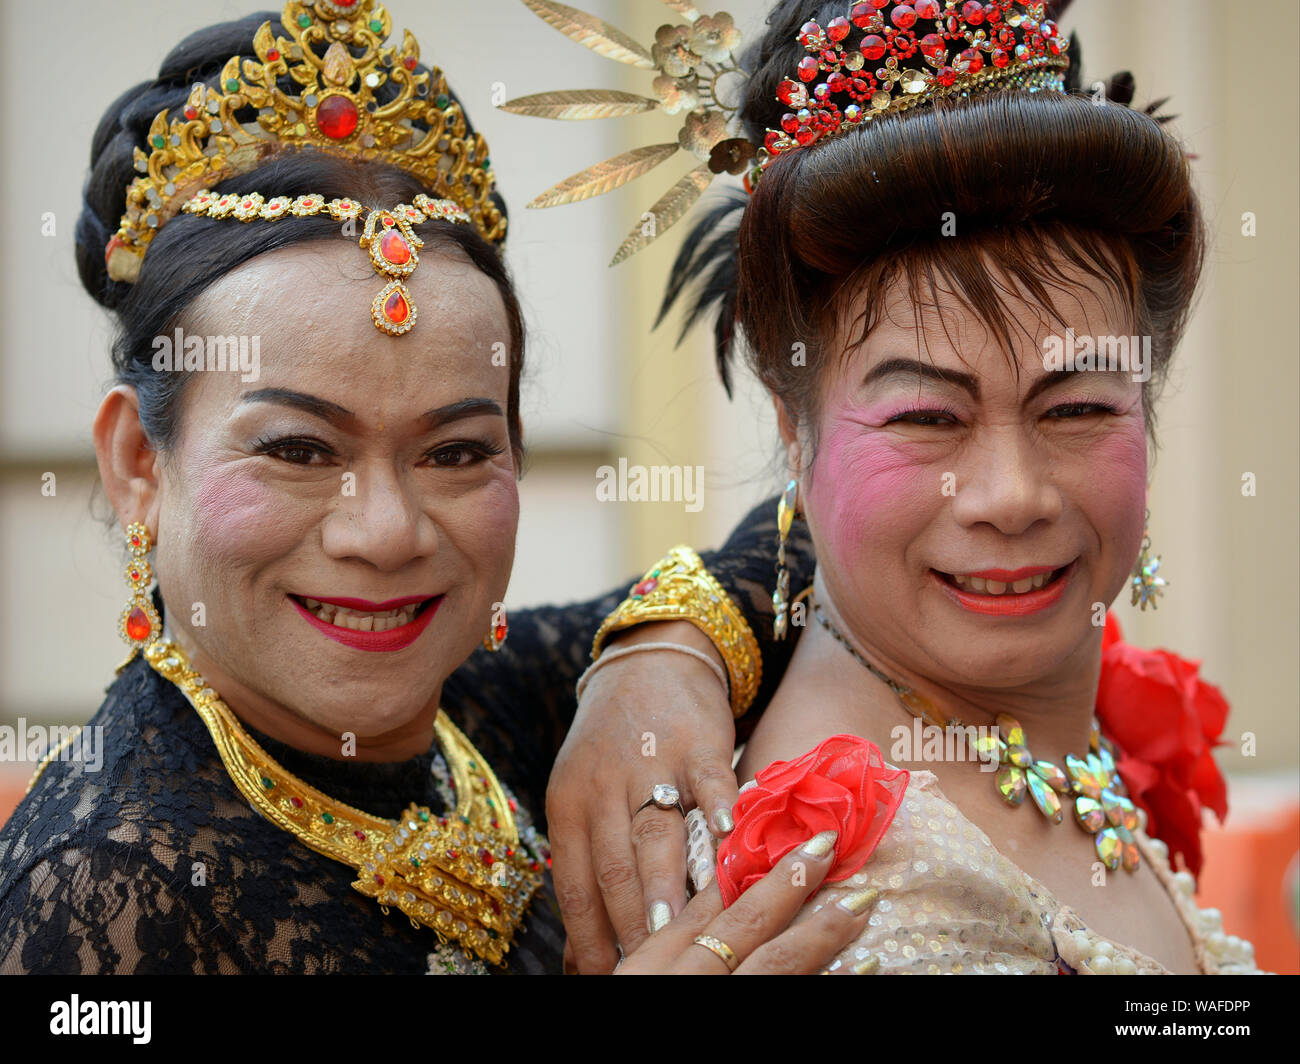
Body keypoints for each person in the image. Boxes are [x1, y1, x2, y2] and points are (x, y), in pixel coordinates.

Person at [0, 0, 857, 975]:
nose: (387, 532)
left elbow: (829, 524)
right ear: (137, 464)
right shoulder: (101, 888)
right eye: (299, 449)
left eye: (453, 453)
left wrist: (662, 653)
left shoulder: (496, 714)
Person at [535, 0, 1265, 973]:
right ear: (793, 422)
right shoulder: (836, 889)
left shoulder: (1049, 744)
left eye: (1076, 409)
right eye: (928, 419)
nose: (1011, 494)